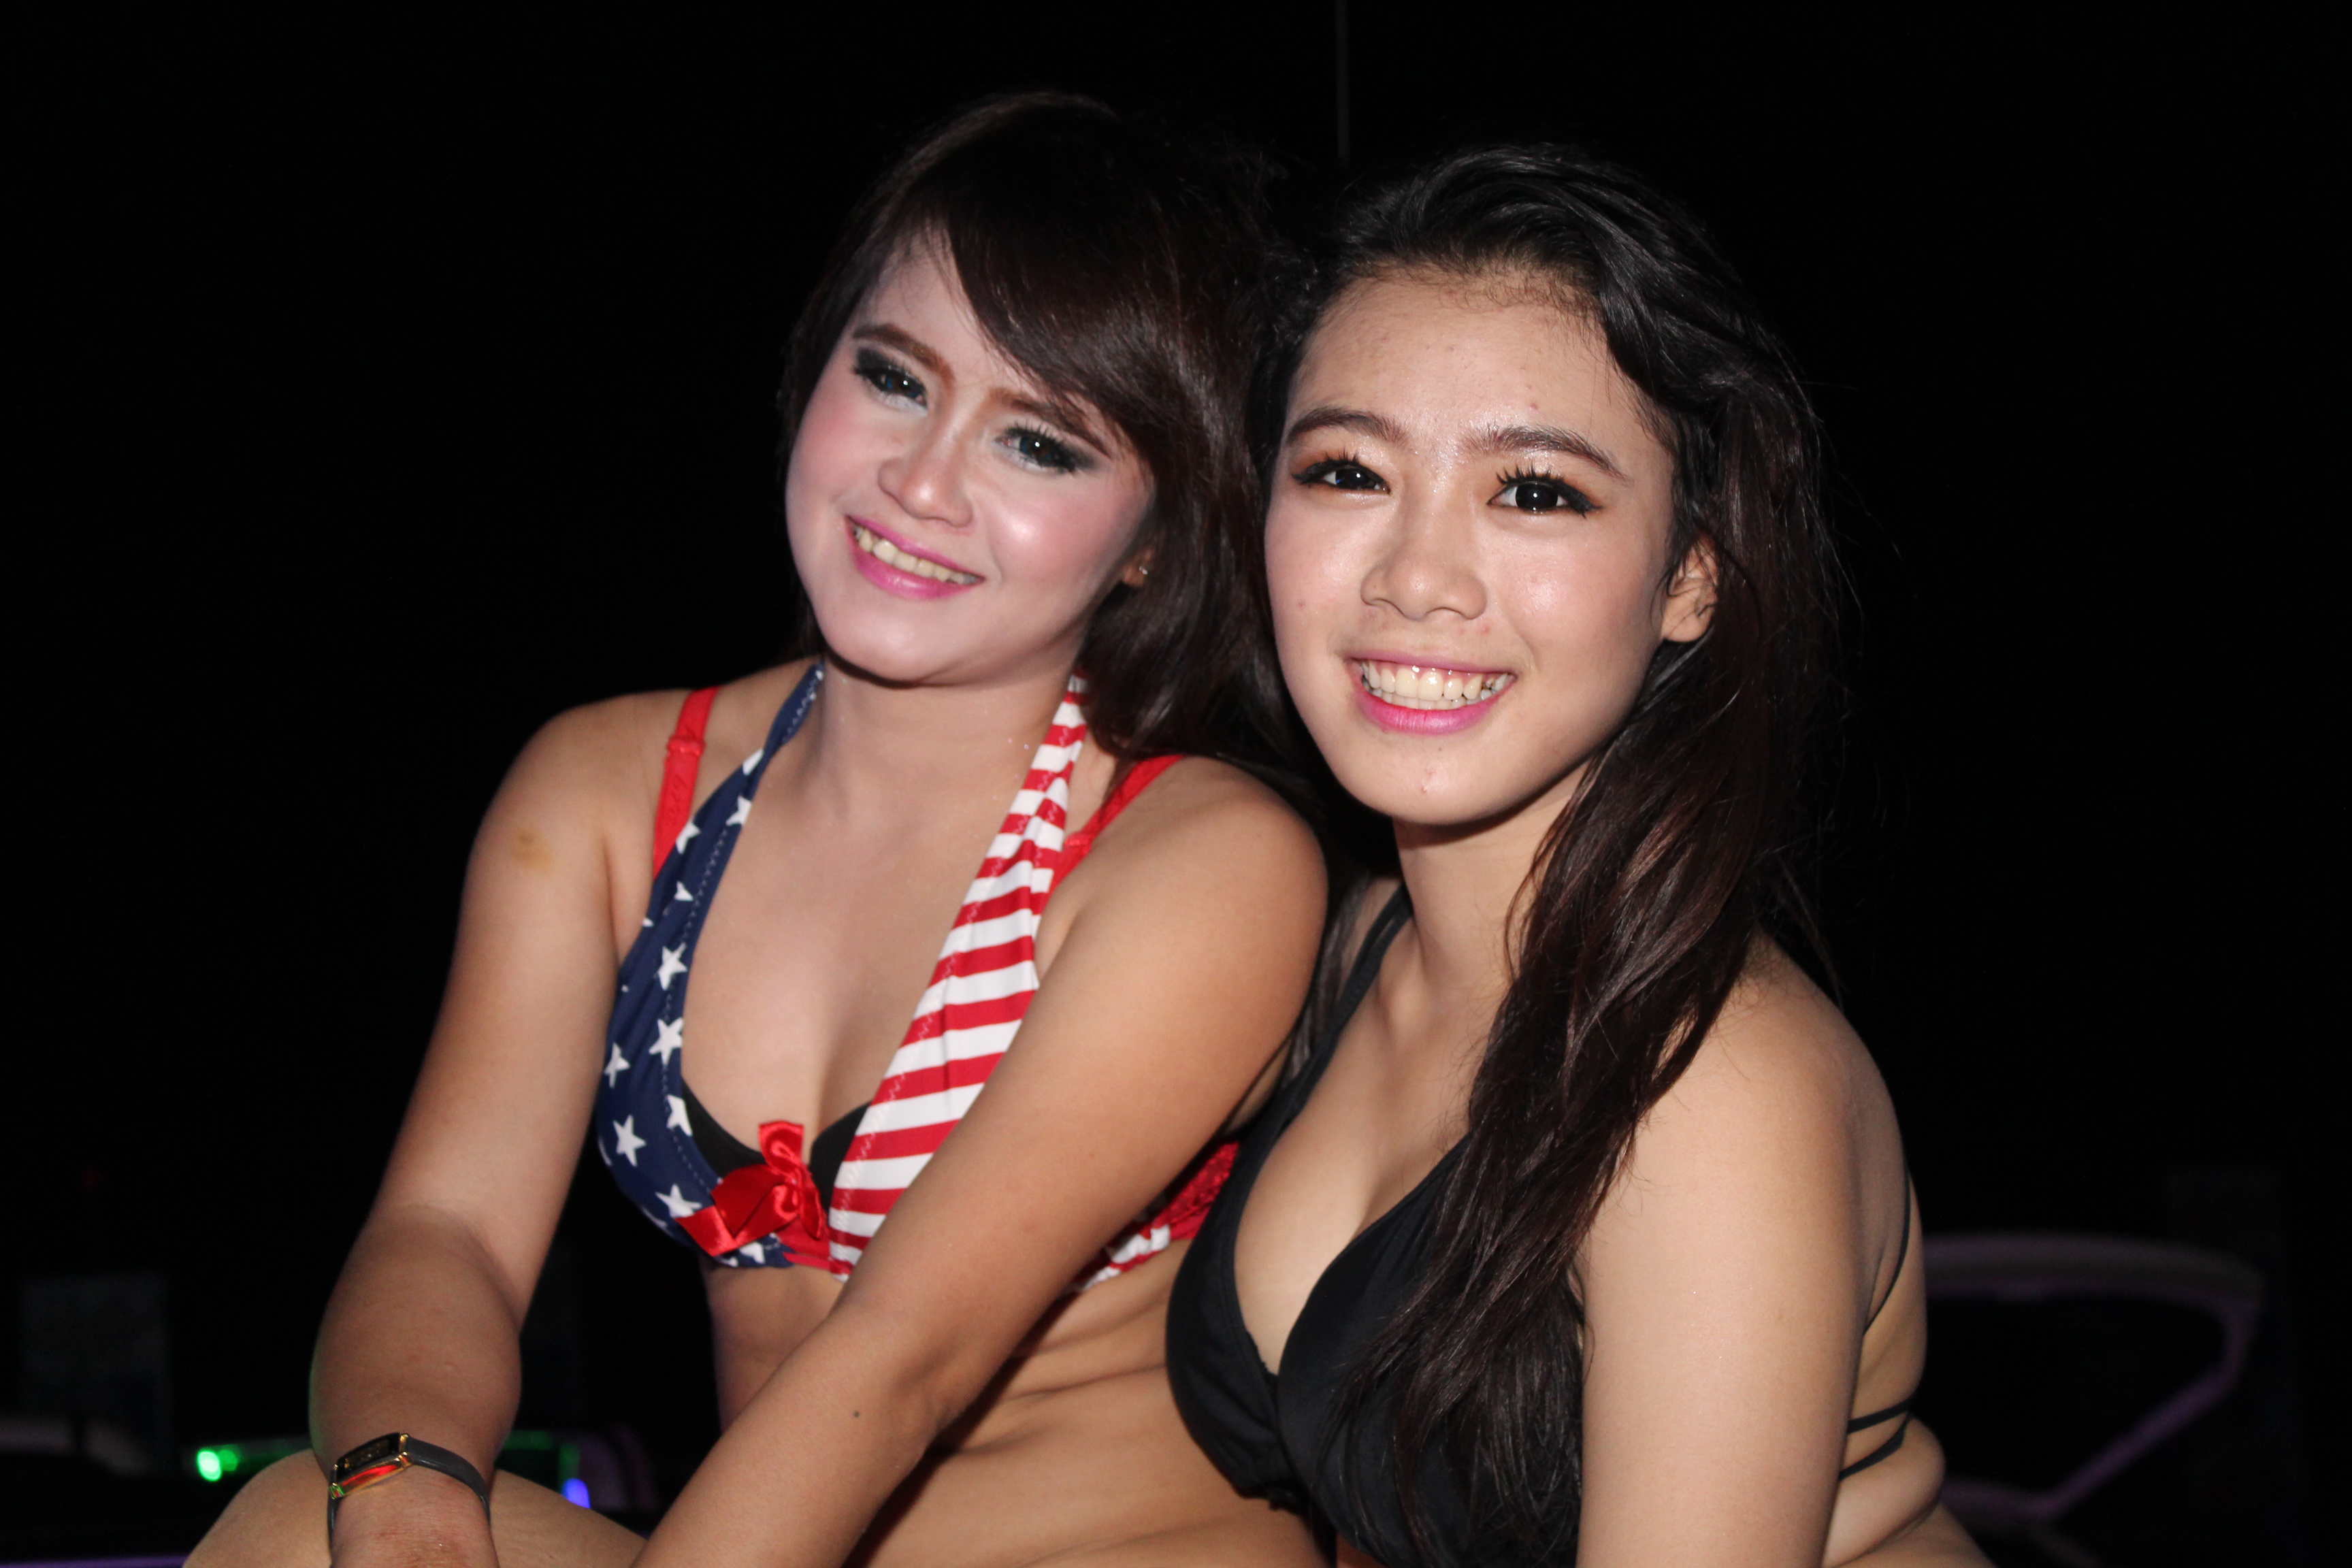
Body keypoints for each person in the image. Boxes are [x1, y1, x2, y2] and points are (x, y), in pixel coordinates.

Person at [191, 95, 1326, 1568]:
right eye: (895, 376)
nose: (922, 481)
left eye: (1042, 445)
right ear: (815, 365)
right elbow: (446, 1233)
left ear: (1160, 539)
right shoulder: (611, 793)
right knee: (298, 1520)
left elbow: (901, 1355)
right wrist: (407, 1494)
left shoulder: (1196, 860)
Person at [1166, 146, 1991, 1566]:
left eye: (1536, 492)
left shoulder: (1709, 1097)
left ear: (1692, 578)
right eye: (1349, 471)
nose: (1415, 578)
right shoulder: (1355, 943)